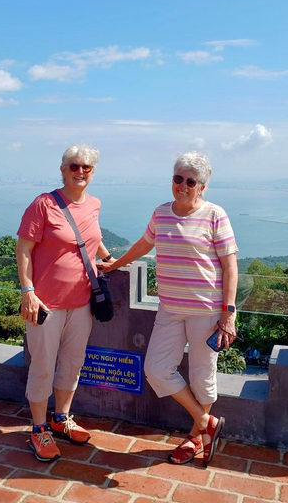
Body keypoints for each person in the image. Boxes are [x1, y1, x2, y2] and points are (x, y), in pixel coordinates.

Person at [99, 151, 238, 466]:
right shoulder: (161, 214)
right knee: (156, 369)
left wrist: (228, 313)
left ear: (202, 187)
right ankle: (207, 423)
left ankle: (195, 436)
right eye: (179, 179)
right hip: (170, 309)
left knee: (203, 377)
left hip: (207, 311)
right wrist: (113, 265)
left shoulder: (216, 215)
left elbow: (231, 266)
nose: (183, 186)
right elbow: (143, 245)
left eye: (191, 181)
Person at [16, 144, 115, 462]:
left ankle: (61, 419)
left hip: (82, 302)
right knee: (43, 366)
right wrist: (28, 290)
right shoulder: (43, 204)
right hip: (46, 305)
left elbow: (91, 237)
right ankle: (38, 429)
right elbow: (24, 249)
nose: (81, 171)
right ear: (63, 170)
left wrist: (109, 259)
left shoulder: (95, 204)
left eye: (87, 166)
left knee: (73, 363)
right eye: (74, 166)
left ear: (93, 171)